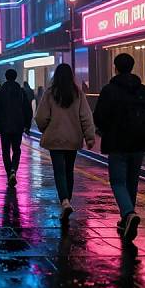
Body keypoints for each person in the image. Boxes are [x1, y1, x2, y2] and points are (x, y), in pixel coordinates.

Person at [94, 53, 145, 243]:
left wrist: (104, 130)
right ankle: (127, 220)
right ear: (132, 68)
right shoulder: (143, 90)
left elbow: (99, 116)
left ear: (115, 68)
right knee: (132, 181)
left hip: (117, 143)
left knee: (117, 181)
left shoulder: (109, 90)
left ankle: (128, 213)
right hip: (139, 143)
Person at [36, 63, 95, 225]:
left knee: (59, 171)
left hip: (55, 138)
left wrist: (44, 128)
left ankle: (64, 201)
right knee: (69, 170)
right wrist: (89, 137)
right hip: (73, 138)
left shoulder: (50, 93)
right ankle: (67, 199)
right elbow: (86, 117)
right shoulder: (78, 94)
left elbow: (41, 117)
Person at [0, 69, 33, 186]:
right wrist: (27, 125)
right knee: (16, 150)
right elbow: (28, 110)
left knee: (5, 151)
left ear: (5, 77)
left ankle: (9, 173)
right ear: (15, 77)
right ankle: (14, 169)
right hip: (18, 125)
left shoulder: (0, 91)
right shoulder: (21, 91)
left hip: (4, 125)